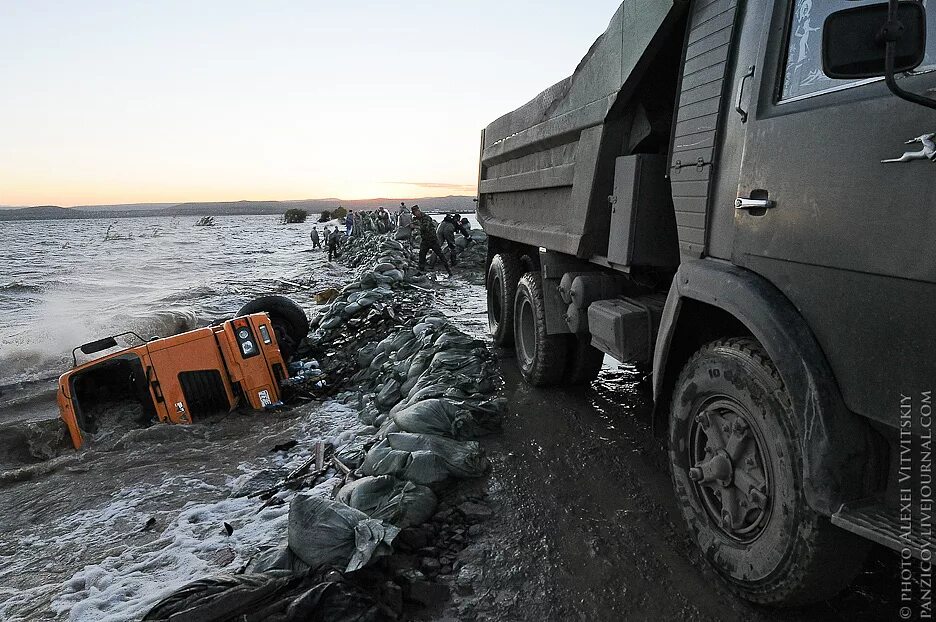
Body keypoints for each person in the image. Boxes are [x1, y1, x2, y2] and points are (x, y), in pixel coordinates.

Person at [412, 205, 451, 275]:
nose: (415, 215)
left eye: (415, 213)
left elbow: (425, 228)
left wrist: (415, 226)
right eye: (414, 214)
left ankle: (449, 271)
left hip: (432, 240)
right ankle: (421, 270)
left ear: (418, 211)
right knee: (422, 255)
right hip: (425, 240)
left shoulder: (426, 217)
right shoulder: (419, 218)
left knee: (440, 254)